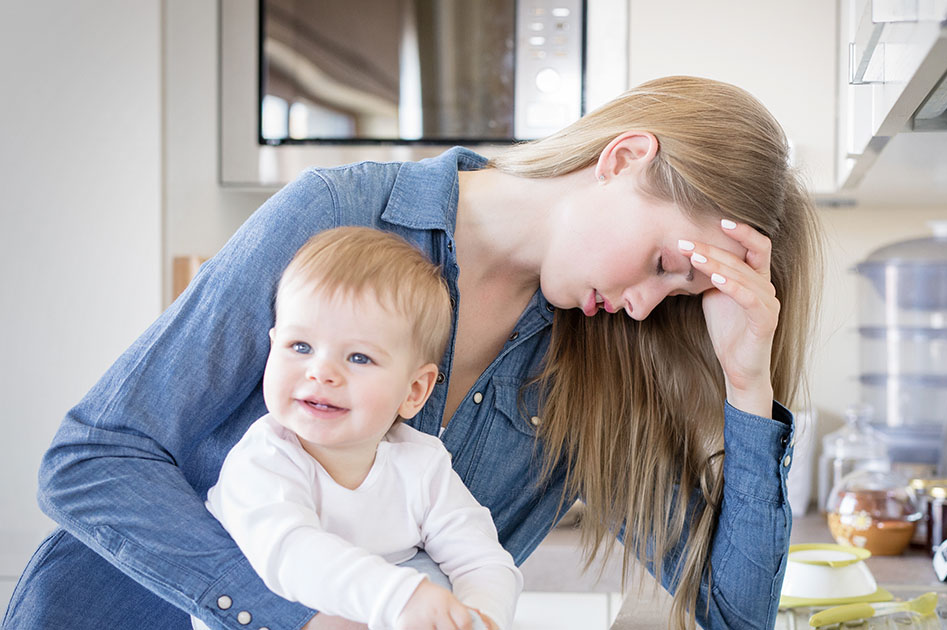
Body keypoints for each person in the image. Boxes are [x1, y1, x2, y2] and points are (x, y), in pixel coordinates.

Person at [6, 75, 823, 630]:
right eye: (659, 265)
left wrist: (747, 382)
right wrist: (301, 619)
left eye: (679, 294)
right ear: (625, 158)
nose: (647, 303)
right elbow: (94, 459)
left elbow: (735, 614)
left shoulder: (605, 361)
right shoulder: (338, 215)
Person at [190, 227, 519, 630]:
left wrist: (480, 617)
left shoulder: (422, 465)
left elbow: (483, 560)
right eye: (300, 347)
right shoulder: (262, 460)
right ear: (272, 346)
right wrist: (401, 598)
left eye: (359, 357)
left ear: (414, 391)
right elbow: (292, 553)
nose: (322, 372)